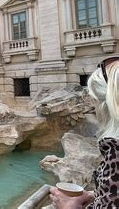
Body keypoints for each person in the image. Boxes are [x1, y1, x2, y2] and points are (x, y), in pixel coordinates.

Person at [50, 57, 119, 208]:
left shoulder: (116, 153)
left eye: (94, 100)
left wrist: (68, 206)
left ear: (107, 104)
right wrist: (97, 194)